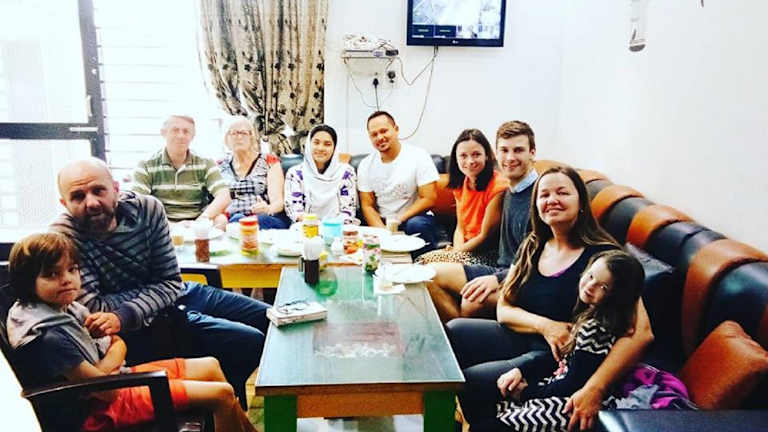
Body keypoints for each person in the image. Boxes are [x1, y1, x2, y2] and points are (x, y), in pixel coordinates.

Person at [446, 166, 654, 431]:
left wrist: (595, 388)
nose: (552, 200)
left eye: (562, 193)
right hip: (528, 336)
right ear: (536, 205)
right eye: (544, 195)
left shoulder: (605, 258)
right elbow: (504, 309)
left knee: (472, 382)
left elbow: (641, 333)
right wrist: (546, 326)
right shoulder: (534, 244)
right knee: (453, 331)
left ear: (581, 202)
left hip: (560, 356)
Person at [51, 157, 269, 410]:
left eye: (98, 190)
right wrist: (149, 295)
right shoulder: (63, 236)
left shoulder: (148, 209)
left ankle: (226, 402)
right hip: (144, 325)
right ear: (64, 203)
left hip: (178, 294)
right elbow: (95, 308)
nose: (91, 202)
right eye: (78, 197)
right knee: (248, 341)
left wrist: (148, 295)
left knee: (268, 317)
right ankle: (219, 407)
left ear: (116, 189)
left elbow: (170, 282)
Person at [5, 232, 256, 432]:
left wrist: (107, 363)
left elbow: (117, 343)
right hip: (98, 411)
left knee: (210, 365)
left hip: (115, 379)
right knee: (221, 395)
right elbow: (106, 392)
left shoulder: (67, 309)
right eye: (52, 274)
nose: (67, 279)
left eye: (72, 269)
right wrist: (110, 362)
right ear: (28, 282)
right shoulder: (50, 335)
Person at [472, 250, 645, 431]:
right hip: (557, 388)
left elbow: (572, 384)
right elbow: (562, 359)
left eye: (603, 287)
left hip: (569, 404)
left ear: (618, 296)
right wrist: (522, 371)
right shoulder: (589, 315)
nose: (590, 286)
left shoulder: (597, 329)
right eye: (591, 276)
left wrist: (525, 393)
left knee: (492, 422)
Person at [426, 121, 538, 320]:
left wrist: (497, 278)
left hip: (520, 278)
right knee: (427, 275)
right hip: (501, 268)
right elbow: (461, 226)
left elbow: (539, 259)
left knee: (472, 300)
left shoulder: (539, 195)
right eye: (504, 150)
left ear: (532, 153)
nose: (510, 158)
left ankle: (459, 332)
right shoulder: (512, 190)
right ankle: (454, 332)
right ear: (496, 154)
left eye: (518, 150)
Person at [416, 128, 508, 266]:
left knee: (428, 265)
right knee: (421, 261)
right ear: (456, 158)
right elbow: (460, 228)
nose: (470, 161)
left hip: (488, 254)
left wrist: (455, 254)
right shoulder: (461, 184)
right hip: (465, 249)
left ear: (487, 156)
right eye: (463, 156)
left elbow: (485, 236)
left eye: (476, 154)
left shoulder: (498, 186)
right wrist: (456, 252)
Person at [357, 111, 439, 257]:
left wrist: (398, 220)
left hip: (414, 218)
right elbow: (367, 205)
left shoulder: (418, 156)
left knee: (416, 224)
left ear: (396, 129)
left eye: (384, 131)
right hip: (382, 221)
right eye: (374, 134)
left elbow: (429, 198)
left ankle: (425, 265)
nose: (380, 137)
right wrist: (383, 232)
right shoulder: (365, 165)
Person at [132, 115, 230, 229]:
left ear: (192, 135)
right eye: (175, 130)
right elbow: (138, 203)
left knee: (221, 220)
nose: (180, 136)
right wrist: (172, 226)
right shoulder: (146, 164)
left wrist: (201, 221)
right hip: (160, 224)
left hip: (197, 222)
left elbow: (224, 194)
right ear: (163, 133)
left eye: (186, 131)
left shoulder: (205, 162)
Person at [218, 116, 291, 229]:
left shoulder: (269, 161)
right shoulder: (220, 166)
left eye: (243, 133)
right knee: (236, 220)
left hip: (265, 218)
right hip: (231, 220)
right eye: (234, 133)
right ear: (226, 139)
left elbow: (278, 202)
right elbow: (215, 202)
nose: (239, 137)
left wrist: (268, 209)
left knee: (246, 222)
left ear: (252, 137)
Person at [284, 124, 358, 224]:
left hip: (338, 227)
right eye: (316, 143)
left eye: (327, 144)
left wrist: (329, 227)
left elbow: (348, 212)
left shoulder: (346, 173)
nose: (320, 148)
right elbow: (295, 212)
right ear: (308, 145)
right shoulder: (295, 173)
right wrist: (316, 224)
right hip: (306, 227)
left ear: (335, 148)